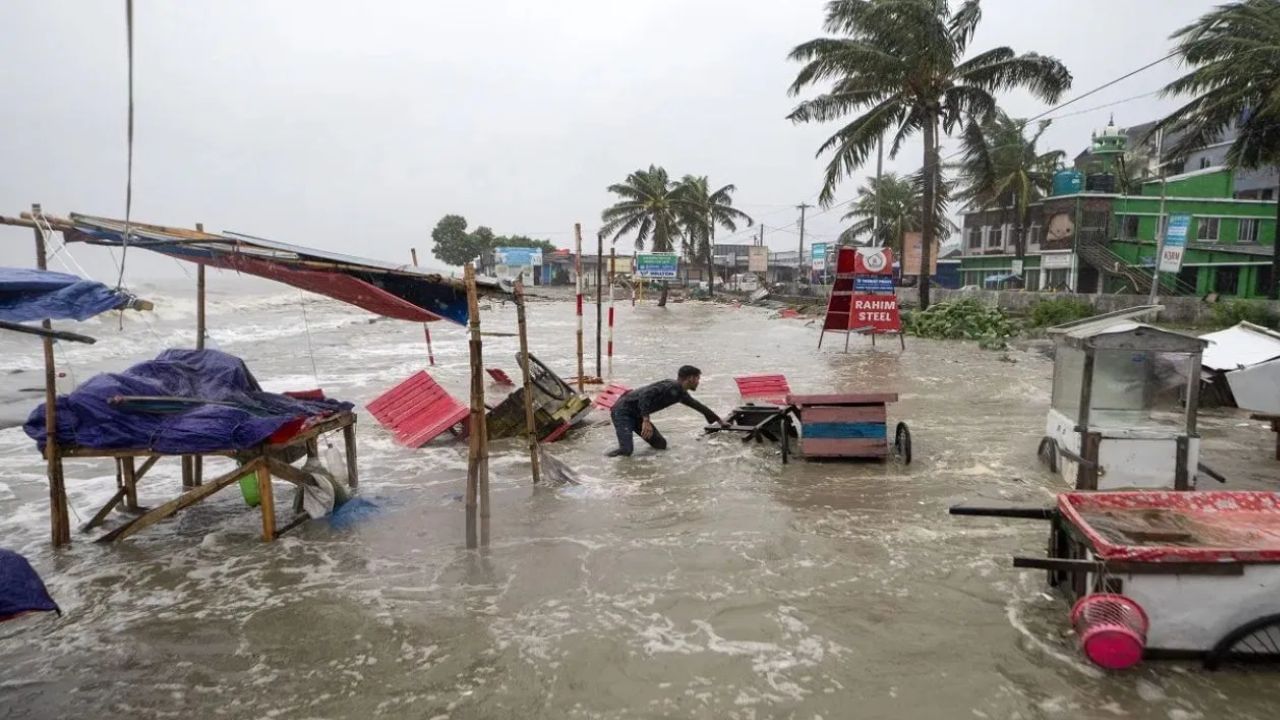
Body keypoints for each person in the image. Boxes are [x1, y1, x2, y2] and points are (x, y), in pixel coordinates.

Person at [607, 365, 725, 457]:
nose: (699, 382)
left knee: (660, 445)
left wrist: (720, 421)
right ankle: (604, 461)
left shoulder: (681, 394)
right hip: (622, 412)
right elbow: (645, 395)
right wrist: (646, 420)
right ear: (691, 378)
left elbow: (699, 407)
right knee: (626, 450)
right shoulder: (669, 386)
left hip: (638, 415)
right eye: (698, 379)